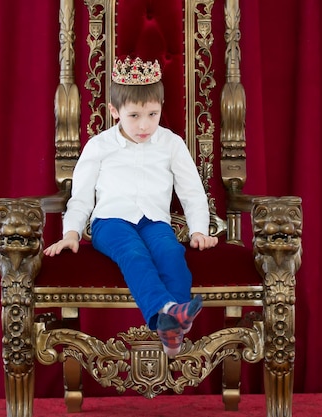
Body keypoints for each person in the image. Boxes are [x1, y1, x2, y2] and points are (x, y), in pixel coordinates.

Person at [44, 56, 218, 357]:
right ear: (115, 111)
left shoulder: (171, 143)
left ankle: (172, 326)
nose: (145, 124)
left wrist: (199, 230)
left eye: (153, 114)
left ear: (161, 106)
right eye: (134, 115)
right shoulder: (99, 146)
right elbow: (82, 196)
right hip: (110, 223)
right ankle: (165, 310)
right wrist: (71, 233)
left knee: (171, 252)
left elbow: (192, 192)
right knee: (134, 254)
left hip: (154, 221)